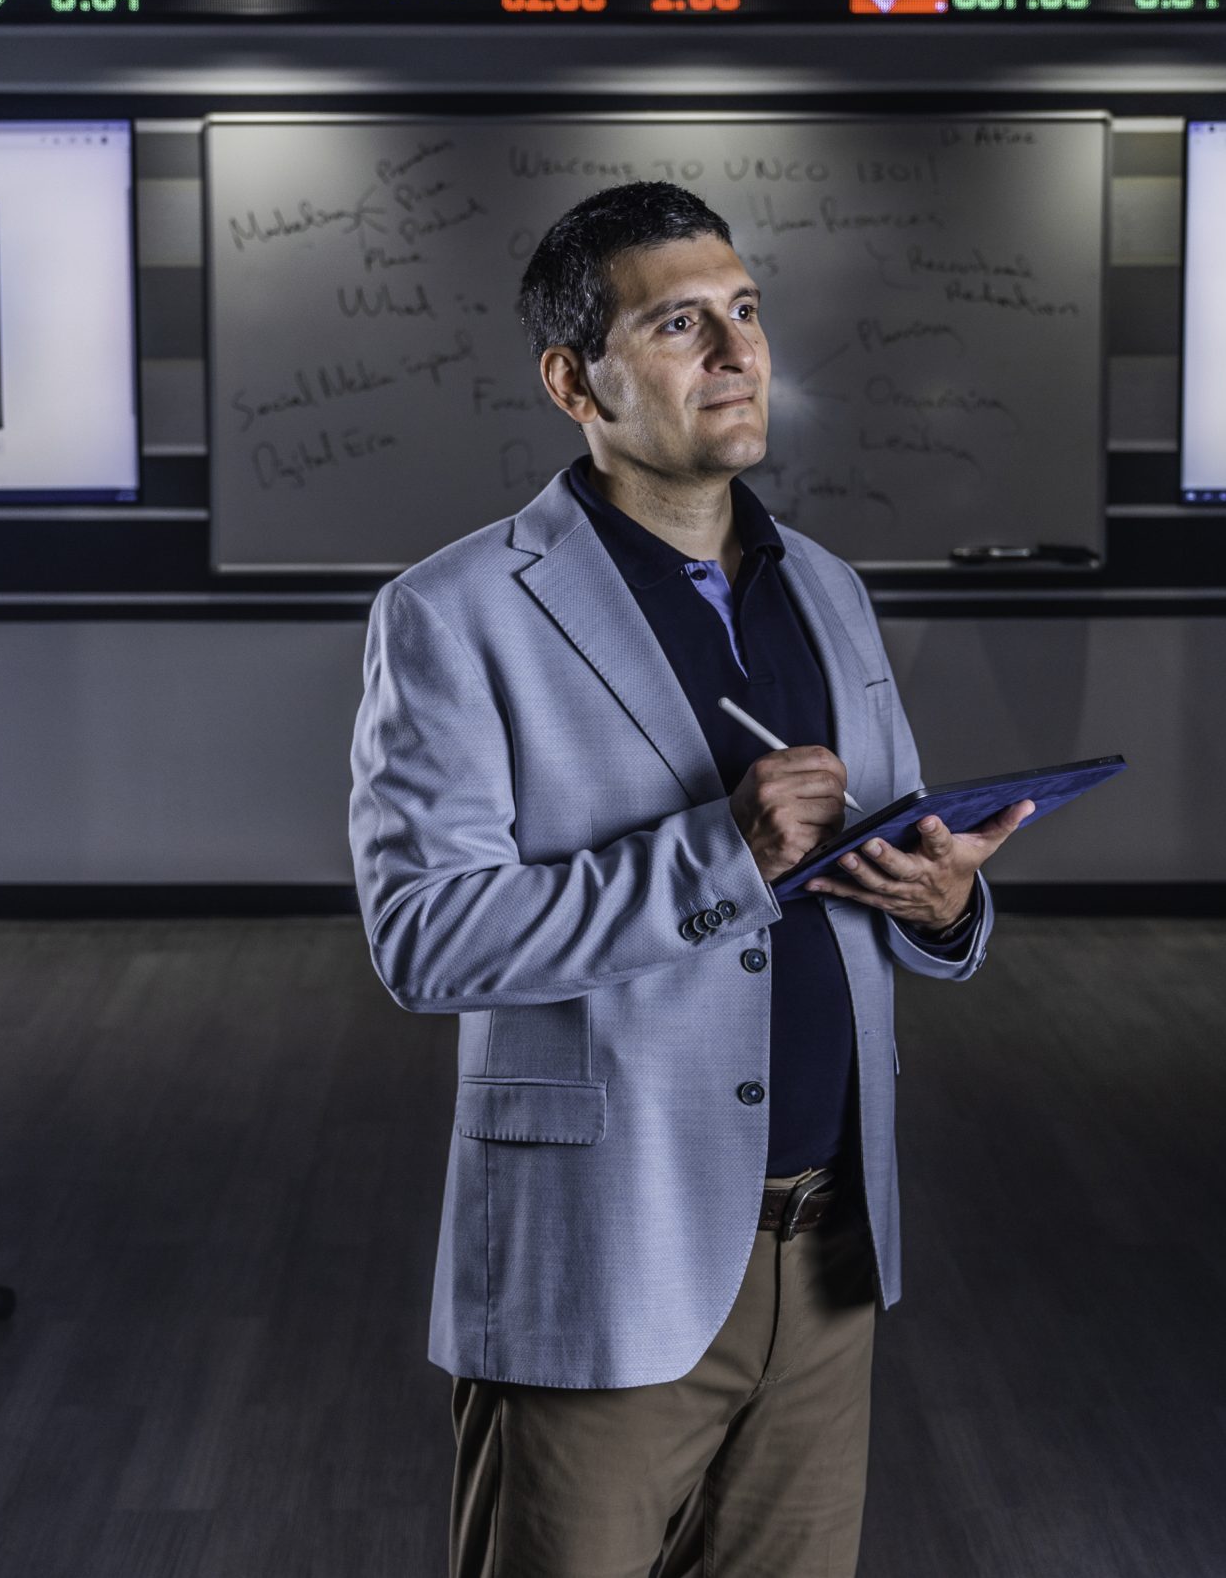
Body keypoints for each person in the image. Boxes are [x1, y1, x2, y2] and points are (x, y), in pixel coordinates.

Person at [349, 181, 1033, 1578]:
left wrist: (946, 902)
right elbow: (424, 936)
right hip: (610, 1256)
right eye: (680, 323)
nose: (736, 351)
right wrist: (721, 855)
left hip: (827, 1253)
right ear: (573, 380)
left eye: (746, 312)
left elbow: (884, 860)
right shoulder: (455, 611)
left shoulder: (827, 588)